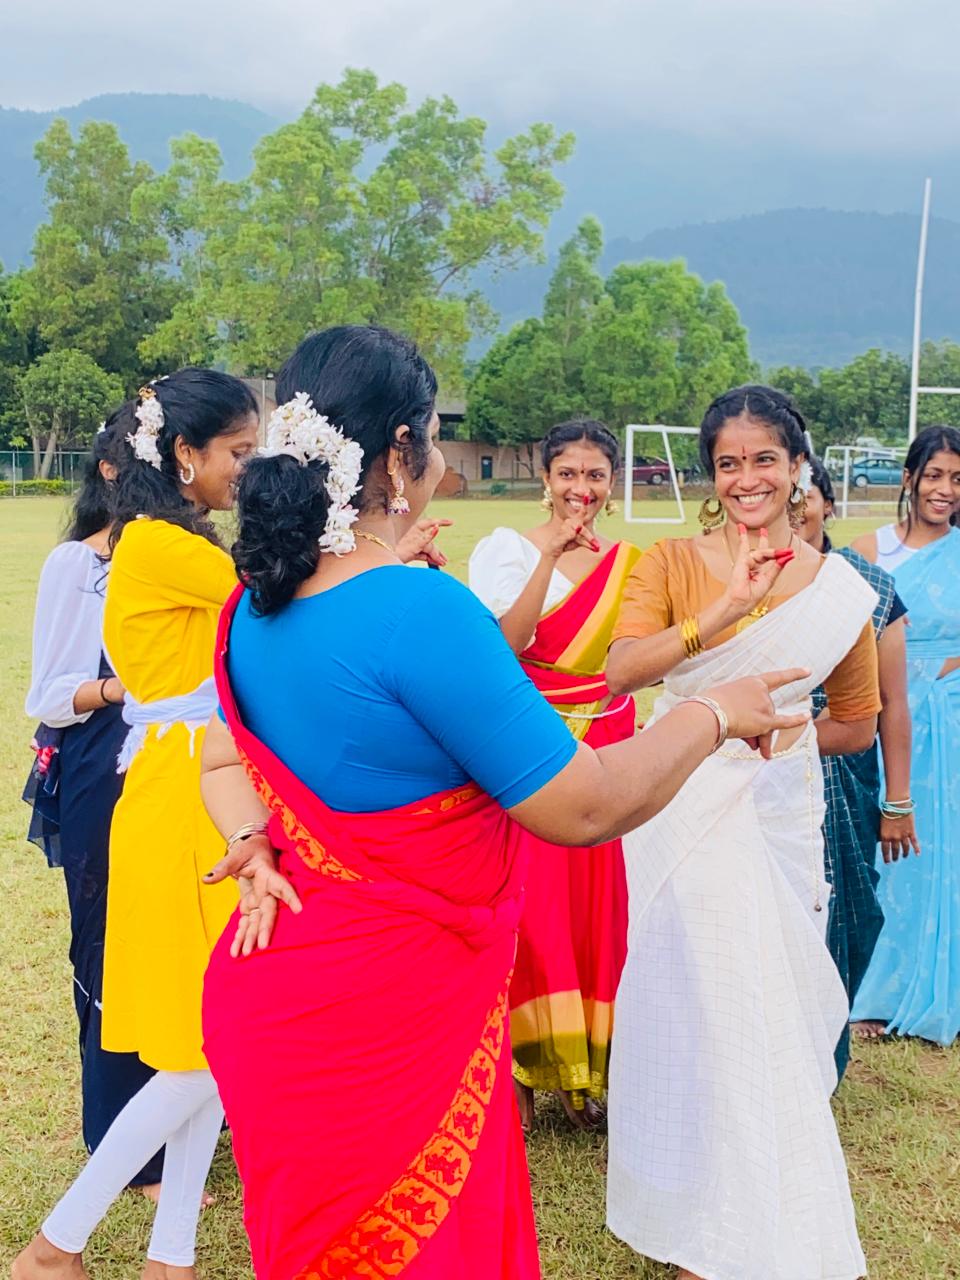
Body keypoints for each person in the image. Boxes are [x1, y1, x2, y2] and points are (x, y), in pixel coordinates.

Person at [196, 326, 808, 1280]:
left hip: (277, 999)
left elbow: (216, 750)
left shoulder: (255, 605)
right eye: (435, 437)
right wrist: (714, 713)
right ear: (402, 453)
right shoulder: (418, 611)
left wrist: (253, 840)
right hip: (391, 1018)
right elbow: (588, 807)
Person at [604, 385, 882, 1280]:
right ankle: (704, 1223)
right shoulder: (673, 561)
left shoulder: (838, 590)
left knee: (774, 1016)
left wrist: (782, 725)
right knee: (706, 1009)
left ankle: (753, 1223)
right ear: (711, 476)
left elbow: (856, 724)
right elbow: (620, 674)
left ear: (798, 466)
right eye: (730, 463)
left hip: (780, 811)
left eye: (766, 459)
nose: (749, 478)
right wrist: (721, 612)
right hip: (682, 806)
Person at [14, 369, 261, 1280]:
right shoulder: (159, 543)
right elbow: (273, 581)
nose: (251, 466)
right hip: (182, 787)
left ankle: (170, 1259)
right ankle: (56, 1244)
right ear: (186, 455)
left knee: (209, 1040)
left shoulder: (167, 539)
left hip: (196, 780)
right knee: (220, 1037)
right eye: (240, 451)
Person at [468, 419, 635, 1132]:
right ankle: (524, 1083)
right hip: (534, 748)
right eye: (569, 474)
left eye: (596, 476)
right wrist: (549, 558)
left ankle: (589, 1078)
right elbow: (505, 645)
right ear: (544, 477)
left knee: (600, 911)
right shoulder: (503, 550)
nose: (582, 490)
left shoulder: (631, 562)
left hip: (611, 741)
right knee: (536, 913)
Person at [23, 419, 162, 1192]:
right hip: (99, 762)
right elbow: (48, 693)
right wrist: (126, 689)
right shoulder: (78, 564)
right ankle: (122, 1144)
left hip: (172, 764)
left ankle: (176, 1119)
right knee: (108, 943)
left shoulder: (187, 558)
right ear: (108, 470)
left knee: (172, 943)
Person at [799, 456, 917, 1076]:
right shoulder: (743, 580)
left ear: (828, 504)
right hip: (763, 769)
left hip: (846, 774)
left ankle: (822, 1060)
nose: (796, 508)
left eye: (807, 495)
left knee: (852, 912)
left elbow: (895, 706)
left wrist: (897, 802)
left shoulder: (869, 587)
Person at [850, 425, 960, 1045]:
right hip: (887, 714)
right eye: (936, 475)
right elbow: (850, 637)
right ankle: (878, 991)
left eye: (958, 479)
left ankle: (943, 985)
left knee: (948, 852)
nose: (945, 490)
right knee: (886, 853)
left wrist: (945, 671)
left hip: (951, 718)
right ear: (911, 477)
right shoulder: (871, 550)